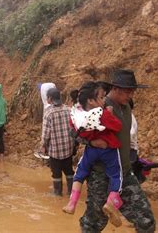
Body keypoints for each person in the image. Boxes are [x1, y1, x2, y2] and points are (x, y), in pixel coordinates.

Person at [79, 69, 155, 233]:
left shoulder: (126, 107)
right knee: (94, 224)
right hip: (101, 175)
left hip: (125, 174)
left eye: (132, 91)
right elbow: (75, 131)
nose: (131, 95)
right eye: (128, 91)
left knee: (146, 221)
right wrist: (91, 140)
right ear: (115, 89)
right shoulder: (100, 105)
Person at [62, 82, 124, 227]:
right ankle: (111, 203)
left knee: (79, 174)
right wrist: (110, 114)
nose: (104, 100)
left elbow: (75, 131)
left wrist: (90, 141)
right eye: (102, 97)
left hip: (91, 151)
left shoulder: (78, 116)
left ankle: (72, 203)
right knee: (116, 176)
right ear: (91, 100)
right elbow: (117, 126)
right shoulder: (102, 114)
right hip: (108, 150)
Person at [40, 88, 74, 196]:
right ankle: (71, 192)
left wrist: (43, 146)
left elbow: (46, 134)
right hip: (68, 148)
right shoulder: (69, 110)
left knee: (56, 173)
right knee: (69, 170)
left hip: (55, 150)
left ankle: (57, 193)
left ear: (49, 99)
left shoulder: (48, 113)